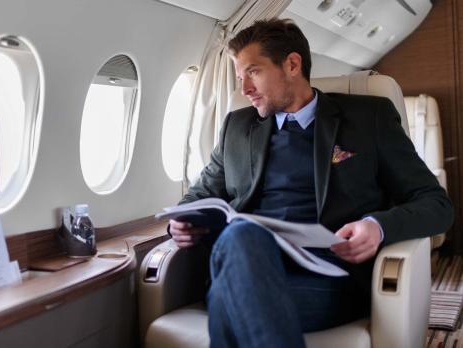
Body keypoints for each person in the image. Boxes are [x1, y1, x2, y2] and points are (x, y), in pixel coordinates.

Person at [168, 18, 453, 347]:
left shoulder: (367, 118)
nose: (244, 89)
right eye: (239, 77)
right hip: (248, 262)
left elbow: (436, 204)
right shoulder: (237, 126)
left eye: (253, 72)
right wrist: (181, 221)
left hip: (327, 275)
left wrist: (377, 226)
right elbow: (198, 196)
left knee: (227, 299)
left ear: (292, 64)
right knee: (242, 236)